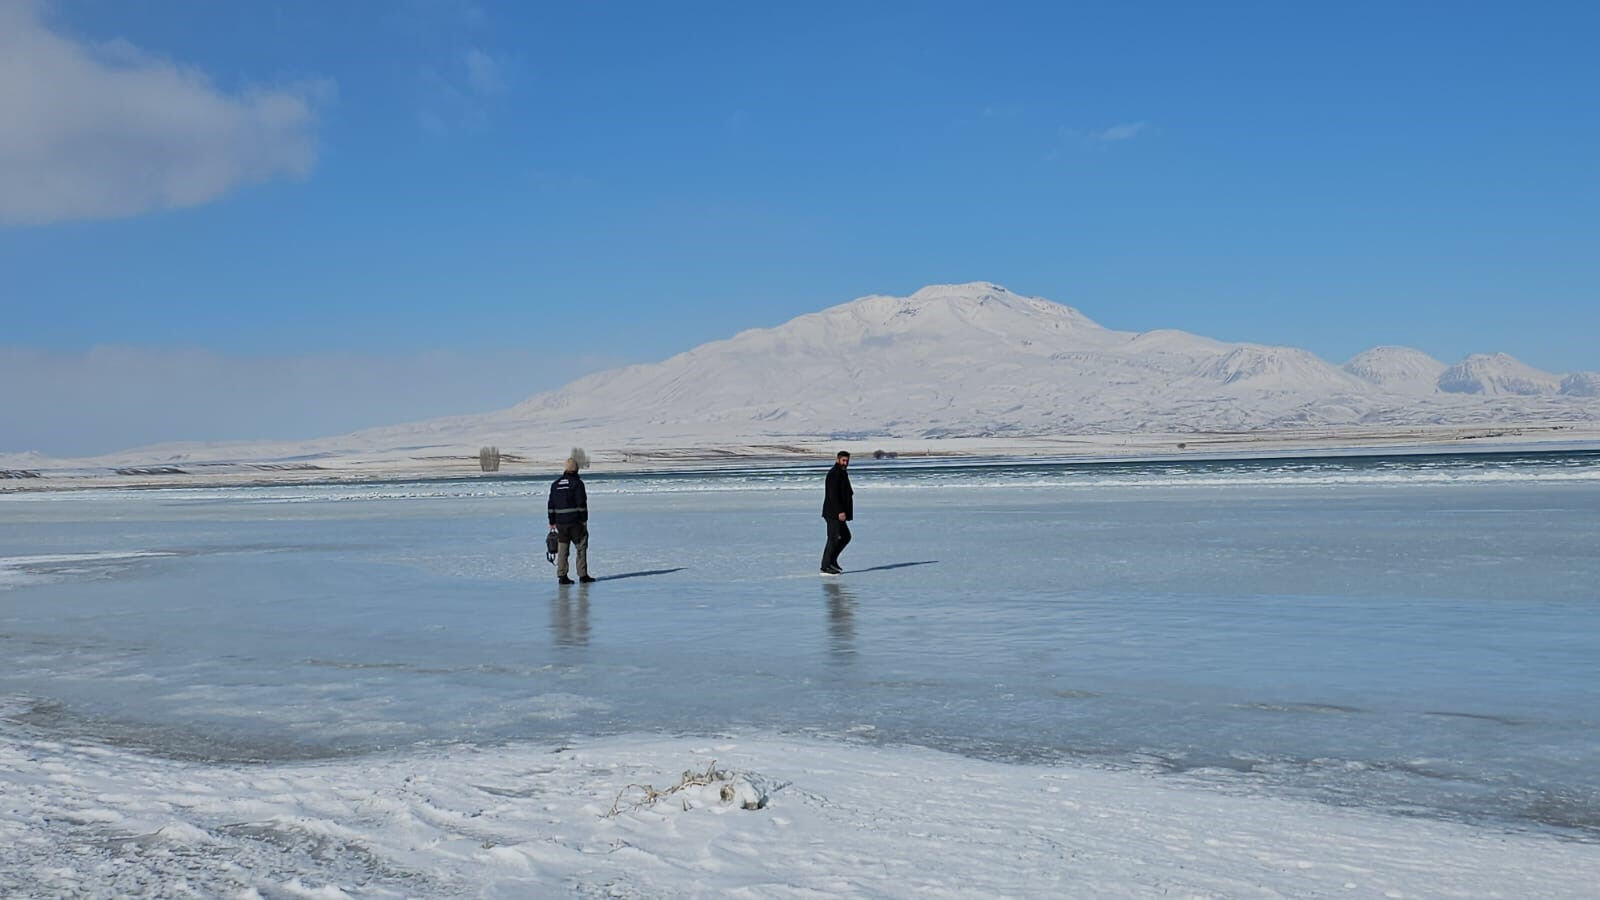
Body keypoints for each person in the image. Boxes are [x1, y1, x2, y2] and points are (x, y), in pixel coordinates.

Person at [548, 458, 594, 584]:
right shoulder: (577, 484)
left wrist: (552, 521)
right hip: (575, 522)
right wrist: (584, 520)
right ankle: (583, 575)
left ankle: (562, 575)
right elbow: (581, 504)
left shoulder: (555, 484)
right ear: (576, 469)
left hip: (560, 523)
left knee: (563, 548)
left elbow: (551, 505)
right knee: (581, 547)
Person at [820, 450, 853, 575]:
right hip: (833, 513)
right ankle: (825, 566)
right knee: (833, 539)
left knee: (846, 536)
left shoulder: (842, 472)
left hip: (838, 513)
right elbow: (832, 495)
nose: (845, 463)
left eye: (847, 461)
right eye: (843, 460)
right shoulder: (834, 473)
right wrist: (840, 511)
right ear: (837, 459)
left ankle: (832, 561)